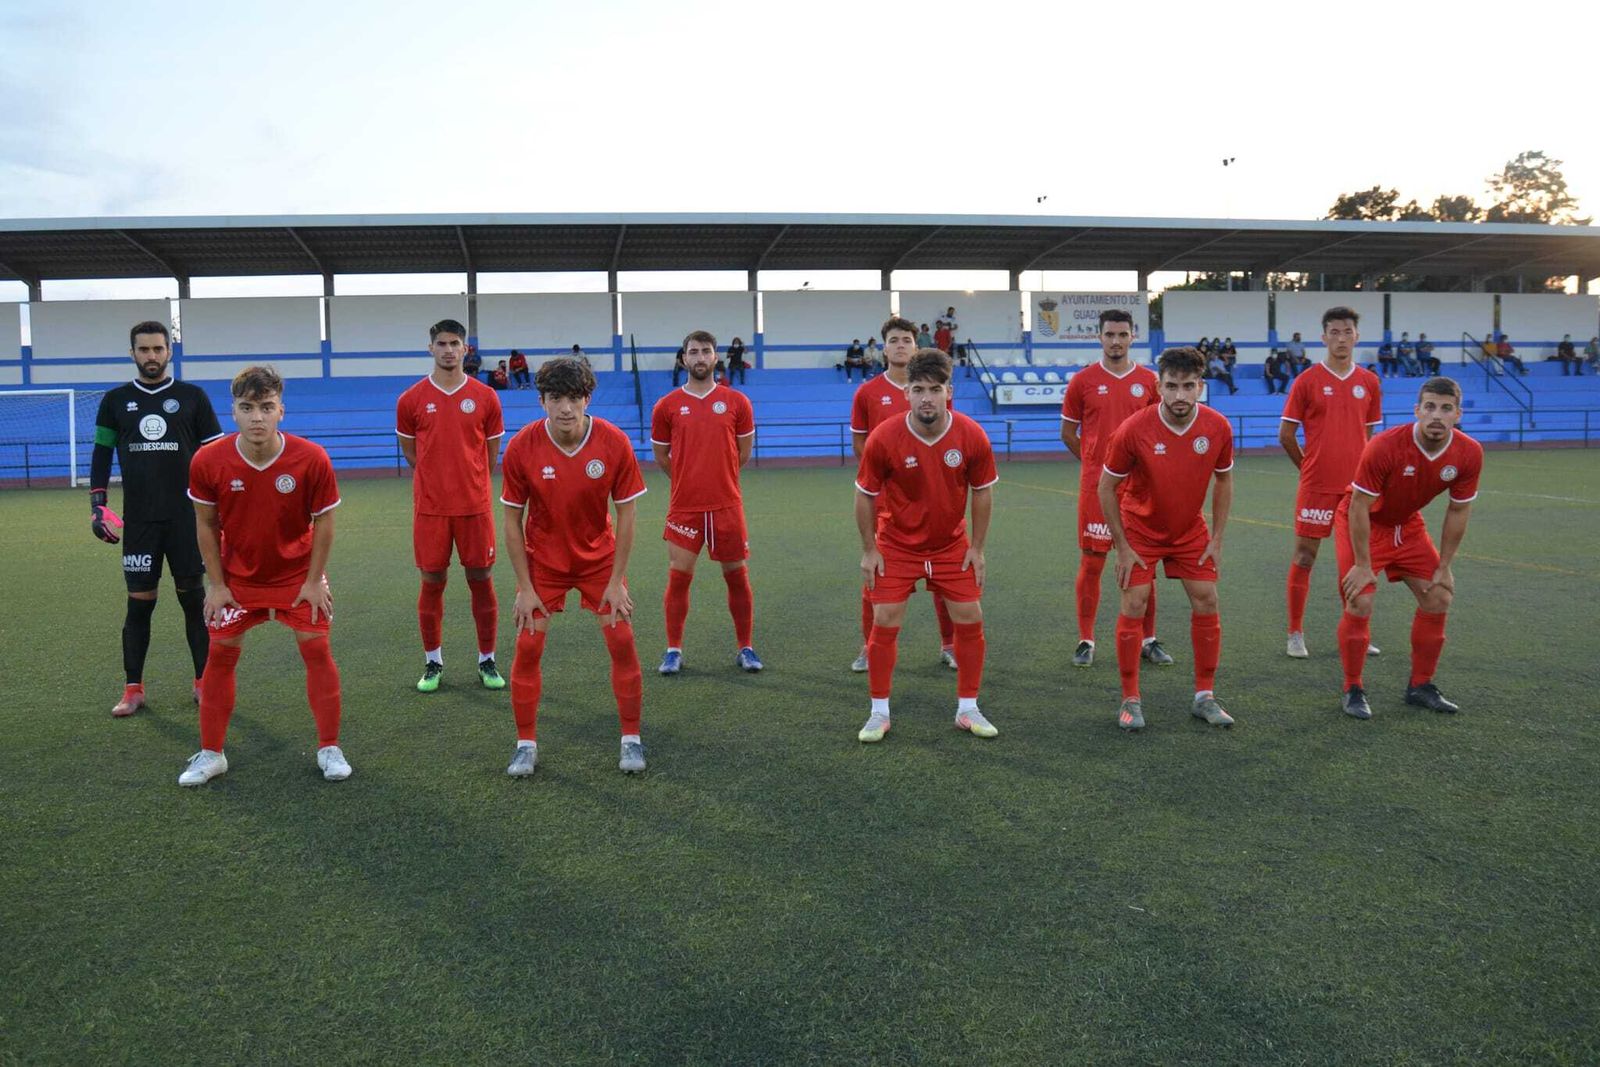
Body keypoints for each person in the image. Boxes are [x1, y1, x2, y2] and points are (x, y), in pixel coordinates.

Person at [179, 366, 348, 786]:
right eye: (247, 407)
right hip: (237, 581)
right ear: (233, 412)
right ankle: (212, 753)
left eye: (266, 407)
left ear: (281, 412)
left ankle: (329, 747)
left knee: (316, 650)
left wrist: (313, 581)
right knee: (220, 655)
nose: (257, 417)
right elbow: (205, 524)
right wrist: (216, 585)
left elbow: (324, 524)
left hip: (297, 576)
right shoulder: (208, 460)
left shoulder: (311, 458)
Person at [498, 357, 650, 775]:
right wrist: (524, 587)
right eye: (556, 398)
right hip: (543, 563)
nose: (566, 408)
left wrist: (617, 581)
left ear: (587, 399)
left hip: (598, 561)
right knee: (527, 647)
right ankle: (525, 744)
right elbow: (511, 519)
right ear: (542, 400)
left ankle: (631, 739)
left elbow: (628, 514)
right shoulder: (523, 446)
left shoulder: (614, 443)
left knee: (622, 640)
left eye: (574, 398)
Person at [854, 348, 998, 743]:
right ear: (906, 393)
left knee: (970, 616)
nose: (927, 398)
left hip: (952, 546)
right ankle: (878, 712)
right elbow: (865, 494)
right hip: (897, 545)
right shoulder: (885, 437)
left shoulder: (970, 434)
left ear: (949, 391)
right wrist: (870, 549)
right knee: (885, 620)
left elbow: (982, 492)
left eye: (935, 389)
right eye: (918, 389)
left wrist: (978, 548)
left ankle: (967, 708)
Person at [90, 320, 225, 717]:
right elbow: (101, 455)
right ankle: (133, 689)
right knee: (139, 604)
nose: (152, 356)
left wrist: (223, 511)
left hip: (189, 520)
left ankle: (204, 683)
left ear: (170, 352)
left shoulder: (192, 397)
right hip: (141, 522)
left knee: (194, 601)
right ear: (132, 353)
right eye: (144, 349)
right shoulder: (114, 401)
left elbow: (215, 459)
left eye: (158, 349)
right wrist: (98, 504)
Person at [1098, 346, 1235, 730]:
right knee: (1135, 602)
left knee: (1207, 599)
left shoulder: (1217, 427)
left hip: (1190, 530)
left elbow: (1224, 479)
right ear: (1159, 386)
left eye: (1188, 386)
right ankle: (1130, 699)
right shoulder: (1134, 429)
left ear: (1200, 387)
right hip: (1140, 530)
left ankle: (1204, 696)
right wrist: (1121, 546)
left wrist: (1218, 538)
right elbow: (1106, 488)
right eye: (1171, 386)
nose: (1179, 395)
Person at [1335, 377, 1483, 720]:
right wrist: (1361, 563)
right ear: (1416, 410)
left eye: (1446, 409)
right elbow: (1358, 505)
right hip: (1364, 521)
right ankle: (1353, 687)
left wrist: (1444, 565)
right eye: (1429, 407)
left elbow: (1458, 510)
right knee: (1360, 599)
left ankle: (1420, 685)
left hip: (1407, 525)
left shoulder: (1469, 453)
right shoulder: (1386, 445)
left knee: (1439, 595)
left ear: (1457, 414)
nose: (1436, 415)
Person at [396, 318, 507, 694]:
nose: (447, 349)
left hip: (474, 507)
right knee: (432, 582)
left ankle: (486, 659)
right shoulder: (410, 399)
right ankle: (433, 661)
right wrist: (436, 480)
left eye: (454, 343)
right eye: (441, 343)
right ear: (430, 348)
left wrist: (469, 479)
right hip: (430, 509)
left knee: (481, 581)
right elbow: (412, 453)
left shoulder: (486, 397)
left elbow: (490, 454)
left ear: (465, 349)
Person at [1060, 308, 1169, 670]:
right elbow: (1068, 433)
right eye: (1110, 334)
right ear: (1100, 337)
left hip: (1141, 490)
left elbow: (1160, 430)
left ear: (1133, 336)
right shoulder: (1083, 381)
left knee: (1144, 564)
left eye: (1123, 334)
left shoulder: (1150, 381)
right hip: (1097, 489)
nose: (1116, 341)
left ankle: (1148, 639)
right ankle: (1085, 639)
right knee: (1092, 562)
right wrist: (1098, 467)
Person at [650, 330, 763, 676]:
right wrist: (690, 479)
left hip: (726, 504)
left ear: (716, 358)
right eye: (693, 352)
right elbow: (662, 456)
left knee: (737, 578)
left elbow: (742, 454)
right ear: (684, 359)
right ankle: (673, 650)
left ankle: (745, 646)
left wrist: (718, 478)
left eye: (706, 352)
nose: (700, 358)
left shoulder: (737, 402)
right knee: (679, 578)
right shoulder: (666, 406)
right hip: (685, 505)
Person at [850, 316, 958, 673]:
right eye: (894, 339)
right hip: (887, 507)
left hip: (934, 500)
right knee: (876, 580)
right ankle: (870, 648)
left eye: (907, 340)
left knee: (944, 579)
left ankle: (950, 644)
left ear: (916, 346)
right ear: (884, 347)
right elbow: (861, 446)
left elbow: (948, 434)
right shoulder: (866, 393)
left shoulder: (933, 389)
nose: (900, 345)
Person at [1279, 306, 1384, 660]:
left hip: (1356, 492)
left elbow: (1369, 437)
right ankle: (1295, 632)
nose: (1341, 338)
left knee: (1354, 562)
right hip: (1317, 486)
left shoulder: (1369, 382)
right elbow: (1286, 434)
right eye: (1334, 332)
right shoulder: (1307, 380)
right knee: (1305, 557)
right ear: (1323, 337)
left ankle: (1356, 630)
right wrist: (1306, 467)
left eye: (1347, 331)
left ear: (1357, 336)